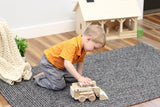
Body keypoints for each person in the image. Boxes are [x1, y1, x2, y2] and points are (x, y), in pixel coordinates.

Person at [33, 24, 106, 90]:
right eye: (94, 47)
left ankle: (50, 74)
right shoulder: (72, 44)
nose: (94, 50)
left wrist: (80, 77)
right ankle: (40, 79)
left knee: (74, 77)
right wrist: (80, 78)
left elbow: (80, 63)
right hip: (49, 63)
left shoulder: (83, 49)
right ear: (88, 39)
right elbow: (67, 64)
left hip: (60, 66)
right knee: (59, 85)